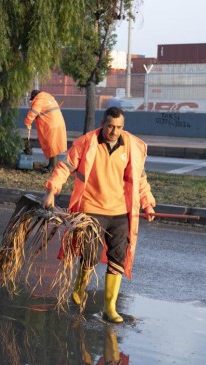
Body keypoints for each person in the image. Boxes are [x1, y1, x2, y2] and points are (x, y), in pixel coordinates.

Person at [41, 106, 156, 323]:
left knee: (117, 257)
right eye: (110, 126)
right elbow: (65, 167)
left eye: (119, 127)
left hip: (121, 212)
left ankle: (110, 308)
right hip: (92, 209)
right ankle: (79, 288)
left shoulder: (132, 146)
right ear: (103, 124)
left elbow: (140, 179)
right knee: (90, 254)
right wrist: (51, 191)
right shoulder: (86, 143)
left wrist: (147, 203)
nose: (114, 132)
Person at [24, 90, 68, 171]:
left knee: (52, 147)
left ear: (34, 96)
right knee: (54, 146)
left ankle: (52, 167)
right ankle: (51, 165)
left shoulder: (39, 100)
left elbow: (32, 113)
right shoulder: (49, 98)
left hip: (51, 126)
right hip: (58, 124)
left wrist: (27, 123)